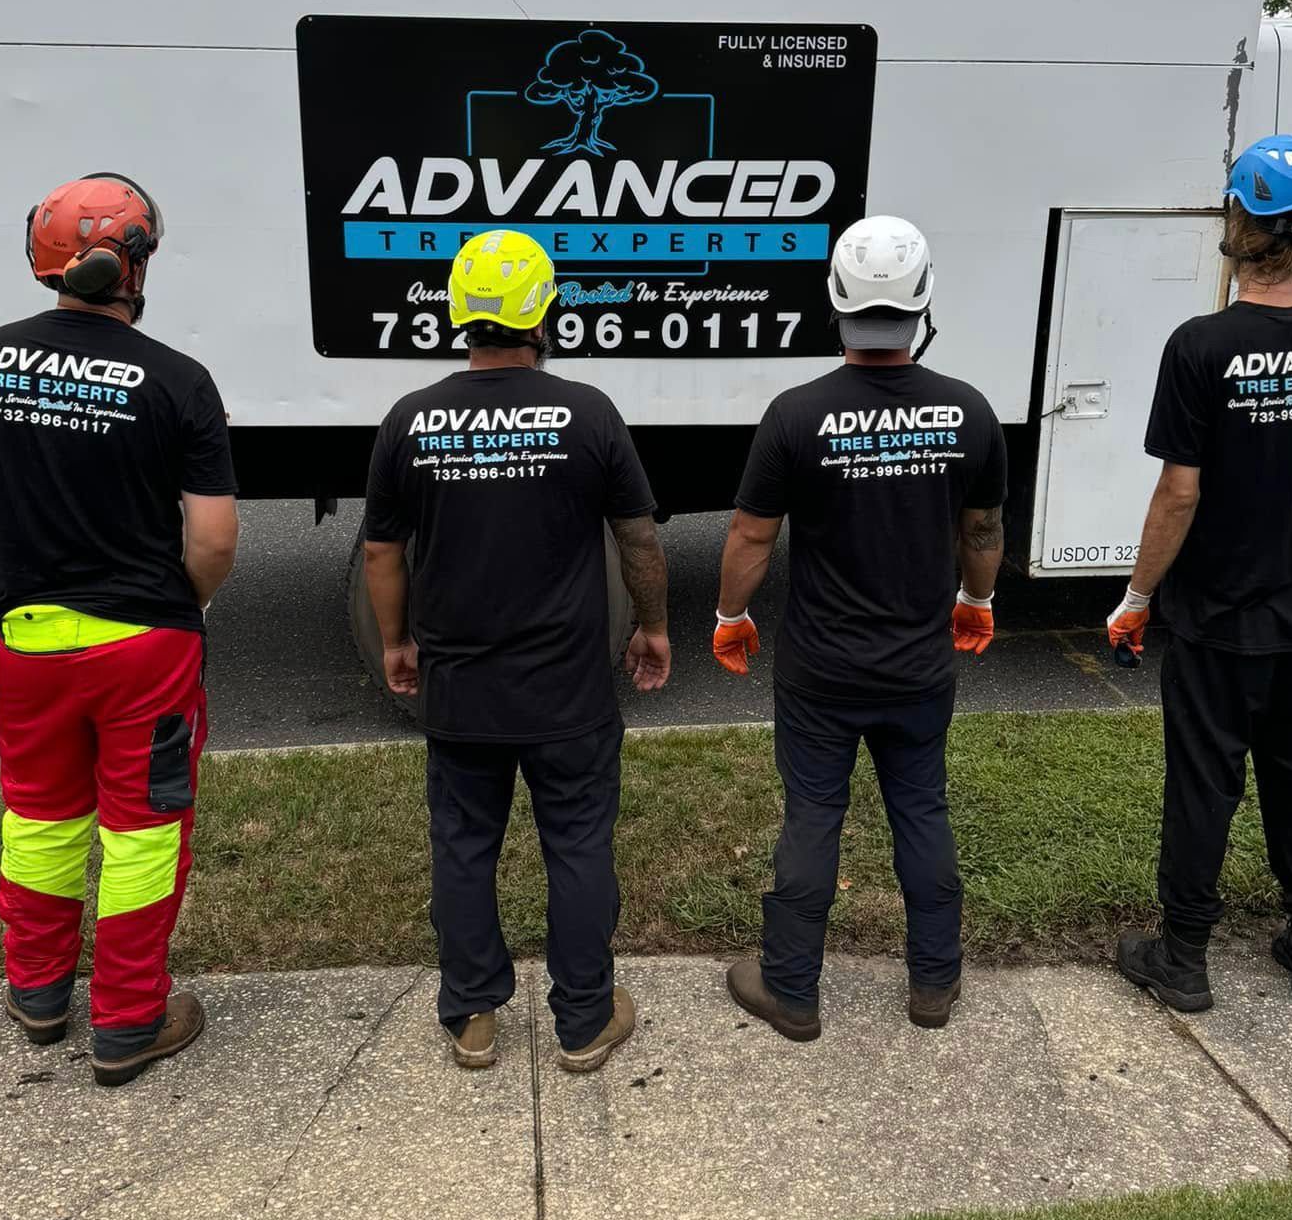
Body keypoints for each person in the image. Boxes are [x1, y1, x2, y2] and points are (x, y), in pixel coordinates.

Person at [0, 174, 238, 1087]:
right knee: (144, 832)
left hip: (24, 640)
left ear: (46, 262)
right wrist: (185, 602)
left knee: (38, 817)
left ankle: (37, 994)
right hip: (144, 648)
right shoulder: (179, 381)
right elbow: (214, 536)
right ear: (134, 262)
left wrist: (14, 573)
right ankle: (129, 1019)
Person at [363, 229, 671, 1074]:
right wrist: (653, 625)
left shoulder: (409, 419)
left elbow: (383, 550)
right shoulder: (589, 411)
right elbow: (637, 537)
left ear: (459, 315)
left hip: (460, 686)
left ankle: (472, 1019)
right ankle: (582, 1022)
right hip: (567, 690)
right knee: (577, 845)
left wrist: (395, 641)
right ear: (545, 313)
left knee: (463, 845)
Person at [1109, 135, 1292, 1011]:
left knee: (1205, 783)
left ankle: (1185, 962)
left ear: (1240, 220)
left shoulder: (1201, 345)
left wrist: (1136, 598)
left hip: (1215, 619)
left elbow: (1178, 494)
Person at [711, 215, 1006, 1035]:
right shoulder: (969, 411)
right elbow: (981, 531)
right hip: (919, 666)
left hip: (821, 670)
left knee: (813, 813)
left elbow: (749, 536)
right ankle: (934, 986)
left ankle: (792, 991)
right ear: (923, 302)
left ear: (835, 299)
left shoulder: (796, 414)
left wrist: (731, 616)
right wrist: (976, 603)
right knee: (922, 809)